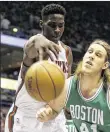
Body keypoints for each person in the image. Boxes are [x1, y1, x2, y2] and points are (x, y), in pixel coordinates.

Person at [5, 4, 73, 132]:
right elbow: (30, 47)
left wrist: (56, 108)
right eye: (52, 25)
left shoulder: (67, 51)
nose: (57, 29)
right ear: (42, 24)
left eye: (61, 25)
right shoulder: (34, 46)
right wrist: (36, 39)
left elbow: (66, 86)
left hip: (54, 116)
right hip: (28, 116)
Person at [36, 39, 110, 132]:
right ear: (84, 56)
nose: (91, 56)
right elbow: (53, 110)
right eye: (90, 52)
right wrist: (47, 113)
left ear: (105, 65)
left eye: (98, 55)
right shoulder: (68, 86)